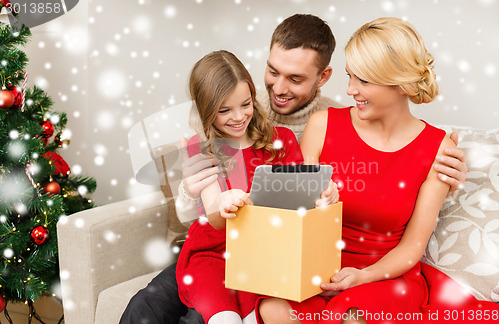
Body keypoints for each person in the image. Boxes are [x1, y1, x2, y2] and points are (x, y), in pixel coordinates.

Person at [120, 14, 468, 324]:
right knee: (145, 307)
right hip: (223, 245)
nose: (279, 88)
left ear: (322, 77)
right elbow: (203, 194)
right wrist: (189, 191)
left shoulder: (326, 121)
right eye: (273, 72)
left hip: (280, 251)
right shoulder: (233, 106)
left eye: (296, 78)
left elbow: (305, 196)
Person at [257, 17, 499, 324]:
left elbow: (413, 245)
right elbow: (295, 213)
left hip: (384, 276)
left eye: (364, 81)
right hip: (315, 269)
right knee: (275, 310)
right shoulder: (323, 125)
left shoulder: (438, 148)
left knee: (352, 318)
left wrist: (363, 276)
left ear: (400, 83)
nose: (350, 90)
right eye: (350, 76)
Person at [176, 50, 338, 324]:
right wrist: (224, 202)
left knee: (257, 315)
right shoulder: (201, 147)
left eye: (246, 103)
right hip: (213, 254)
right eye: (224, 110)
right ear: (205, 111)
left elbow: (299, 199)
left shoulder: (281, 140)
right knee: (224, 318)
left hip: (265, 251)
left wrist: (323, 193)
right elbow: (214, 217)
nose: (239, 117)